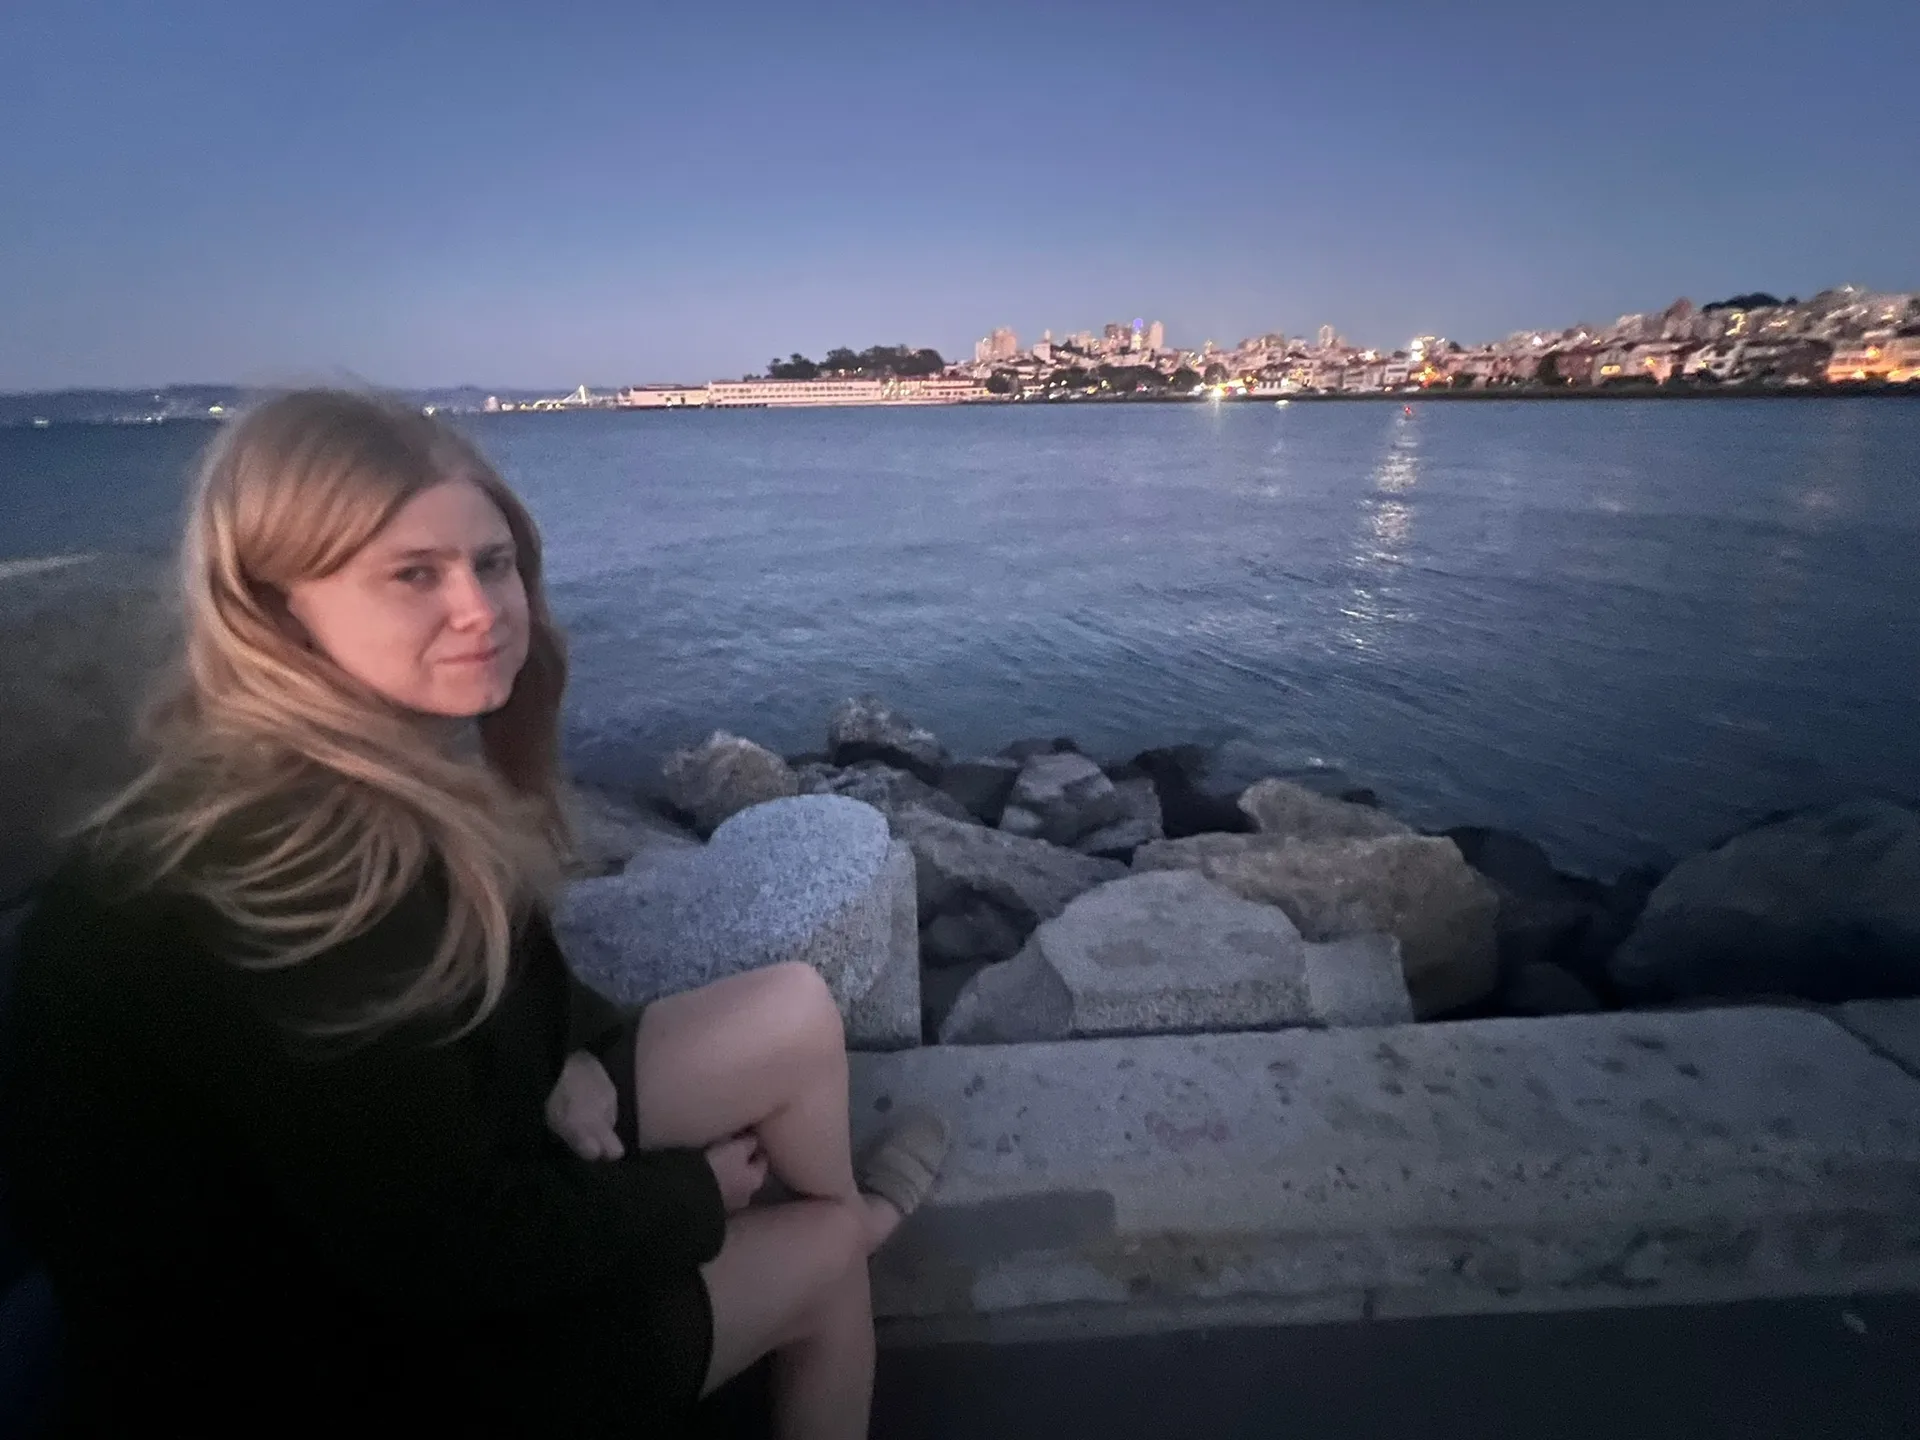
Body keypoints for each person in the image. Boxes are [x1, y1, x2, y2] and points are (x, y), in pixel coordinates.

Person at [0, 389, 950, 1438]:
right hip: (327, 1359)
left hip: (404, 1200)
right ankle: (853, 1230)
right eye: (414, 574)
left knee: (792, 1011)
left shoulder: (356, 773)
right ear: (276, 606)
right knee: (824, 1255)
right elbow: (441, 1251)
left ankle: (840, 1220)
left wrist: (571, 1048)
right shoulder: (295, 872)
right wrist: (691, 1195)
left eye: (492, 564)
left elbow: (492, 992)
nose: (482, 610)